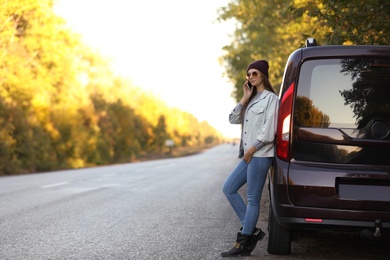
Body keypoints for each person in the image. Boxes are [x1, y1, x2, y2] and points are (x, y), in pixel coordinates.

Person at [221, 60, 279, 257]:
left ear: (263, 75)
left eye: (254, 73)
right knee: (228, 188)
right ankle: (251, 231)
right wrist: (245, 98)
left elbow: (269, 131)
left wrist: (251, 150)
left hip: (260, 155)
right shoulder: (252, 99)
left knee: (253, 198)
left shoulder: (271, 99)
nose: (251, 77)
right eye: (248, 74)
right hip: (249, 156)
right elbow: (232, 119)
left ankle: (243, 244)